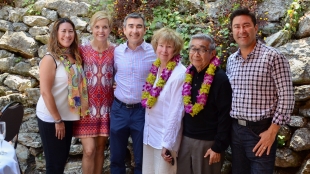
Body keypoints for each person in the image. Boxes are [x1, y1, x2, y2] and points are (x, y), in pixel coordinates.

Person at [226, 8, 295, 174]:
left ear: (256, 28)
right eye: (237, 26)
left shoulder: (273, 57)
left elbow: (287, 97)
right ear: (232, 30)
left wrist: (272, 131)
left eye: (246, 25)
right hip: (236, 131)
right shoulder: (231, 60)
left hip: (260, 131)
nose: (241, 31)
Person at [36, 18, 89, 174]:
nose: (67, 35)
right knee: (54, 165)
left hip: (68, 116)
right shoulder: (50, 59)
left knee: (61, 160)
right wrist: (57, 120)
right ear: (56, 34)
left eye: (70, 31)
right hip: (52, 118)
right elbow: (45, 92)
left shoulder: (75, 57)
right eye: (63, 31)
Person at [177, 33, 232, 174]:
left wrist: (218, 147)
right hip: (185, 140)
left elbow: (225, 116)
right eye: (193, 49)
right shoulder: (188, 74)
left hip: (208, 143)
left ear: (212, 53)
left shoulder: (220, 79)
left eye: (202, 49)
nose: (196, 54)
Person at [110, 13, 157, 174]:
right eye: (131, 26)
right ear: (124, 30)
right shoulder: (117, 52)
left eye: (138, 26)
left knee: (142, 159)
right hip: (119, 110)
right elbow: (111, 74)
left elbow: (163, 76)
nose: (134, 30)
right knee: (116, 157)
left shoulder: (154, 52)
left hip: (142, 111)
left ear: (144, 29)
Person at [72, 11, 114, 174]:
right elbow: (74, 78)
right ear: (91, 28)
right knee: (89, 150)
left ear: (110, 29)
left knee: (100, 148)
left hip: (106, 108)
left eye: (104, 27)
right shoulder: (82, 50)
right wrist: (76, 106)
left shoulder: (115, 51)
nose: (101, 31)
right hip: (86, 109)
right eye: (97, 27)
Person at [141, 28, 186, 174]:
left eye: (169, 46)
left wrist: (168, 143)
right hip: (149, 136)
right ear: (155, 46)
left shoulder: (179, 74)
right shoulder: (156, 68)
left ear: (176, 49)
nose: (164, 50)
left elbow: (176, 112)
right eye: (161, 45)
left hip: (165, 140)